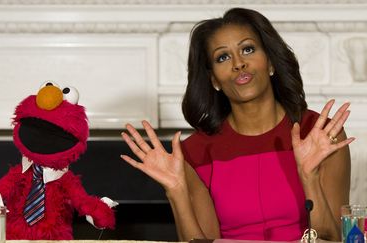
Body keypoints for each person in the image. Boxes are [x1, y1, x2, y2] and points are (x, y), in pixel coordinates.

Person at [120, 7, 354, 241]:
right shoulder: (194, 153)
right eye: (223, 57)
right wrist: (176, 192)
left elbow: (332, 239)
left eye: (248, 49)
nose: (238, 63)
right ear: (214, 80)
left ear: (270, 62)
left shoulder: (320, 133)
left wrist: (309, 177)